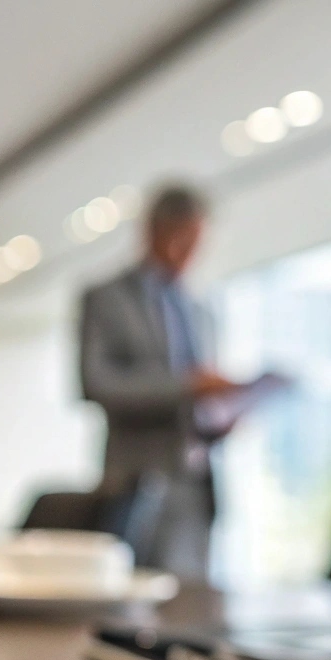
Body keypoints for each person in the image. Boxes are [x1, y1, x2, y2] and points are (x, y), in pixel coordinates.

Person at [78, 186, 241, 580]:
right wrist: (186, 387)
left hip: (196, 484)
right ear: (154, 231)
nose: (190, 255)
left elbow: (201, 397)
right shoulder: (106, 298)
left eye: (198, 244)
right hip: (135, 479)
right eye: (183, 241)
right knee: (130, 606)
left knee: (193, 604)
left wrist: (223, 414)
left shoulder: (201, 309)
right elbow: (96, 384)